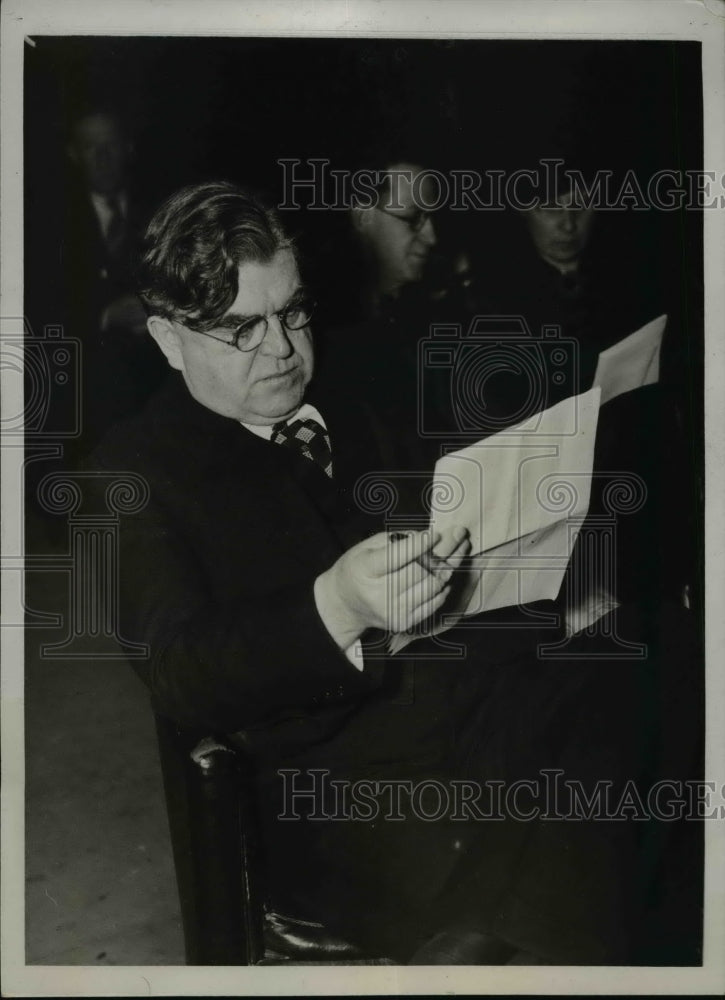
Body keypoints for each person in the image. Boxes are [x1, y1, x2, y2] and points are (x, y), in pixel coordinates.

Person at [88, 181, 702, 965]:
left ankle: (487, 938)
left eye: (292, 311)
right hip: (340, 785)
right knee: (617, 826)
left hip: (489, 704)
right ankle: (484, 945)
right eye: (241, 329)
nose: (280, 348)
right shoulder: (131, 473)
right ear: (169, 341)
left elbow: (466, 529)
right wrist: (335, 604)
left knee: (668, 649)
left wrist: (558, 574)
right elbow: (180, 670)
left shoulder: (358, 384)